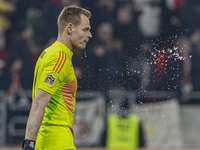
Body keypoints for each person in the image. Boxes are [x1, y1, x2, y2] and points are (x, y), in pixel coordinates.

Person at [22, 5, 92, 150]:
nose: (89, 35)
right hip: (56, 142)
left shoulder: (49, 53)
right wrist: (29, 144)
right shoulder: (59, 58)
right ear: (70, 28)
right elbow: (39, 103)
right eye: (85, 29)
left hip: (50, 140)